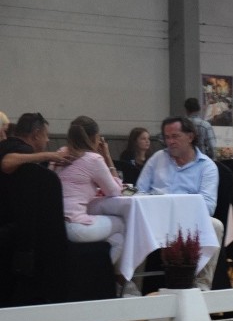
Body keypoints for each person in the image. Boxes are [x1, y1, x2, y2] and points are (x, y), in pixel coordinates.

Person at [136, 116, 222, 290]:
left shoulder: (206, 166)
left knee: (216, 225)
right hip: (155, 219)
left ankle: (202, 286)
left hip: (188, 223)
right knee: (132, 223)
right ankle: (131, 289)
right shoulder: (157, 159)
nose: (170, 142)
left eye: (175, 136)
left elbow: (208, 207)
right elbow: (140, 191)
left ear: (190, 137)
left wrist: (177, 206)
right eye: (167, 137)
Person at [52, 116, 126, 275]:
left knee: (117, 239)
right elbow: (114, 191)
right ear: (95, 138)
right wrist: (107, 157)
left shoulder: (60, 154)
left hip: (55, 225)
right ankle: (99, 276)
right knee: (122, 224)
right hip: (75, 227)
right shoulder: (93, 159)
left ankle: (98, 277)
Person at [0, 112, 74, 176]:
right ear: (36, 134)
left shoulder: (5, 145)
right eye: (46, 135)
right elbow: (6, 162)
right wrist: (48, 156)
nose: (47, 140)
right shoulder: (25, 149)